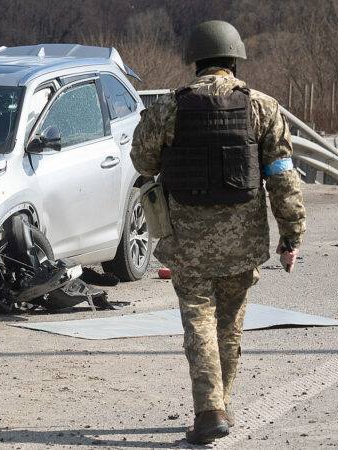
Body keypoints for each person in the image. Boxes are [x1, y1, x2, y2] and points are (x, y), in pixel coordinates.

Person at [129, 20, 307, 444]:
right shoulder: (262, 107)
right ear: (234, 58)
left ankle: (210, 412)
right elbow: (283, 177)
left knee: (199, 325)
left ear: (196, 60)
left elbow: (141, 161)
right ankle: (218, 407)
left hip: (187, 242)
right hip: (242, 242)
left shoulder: (170, 107)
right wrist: (291, 235)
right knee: (228, 326)